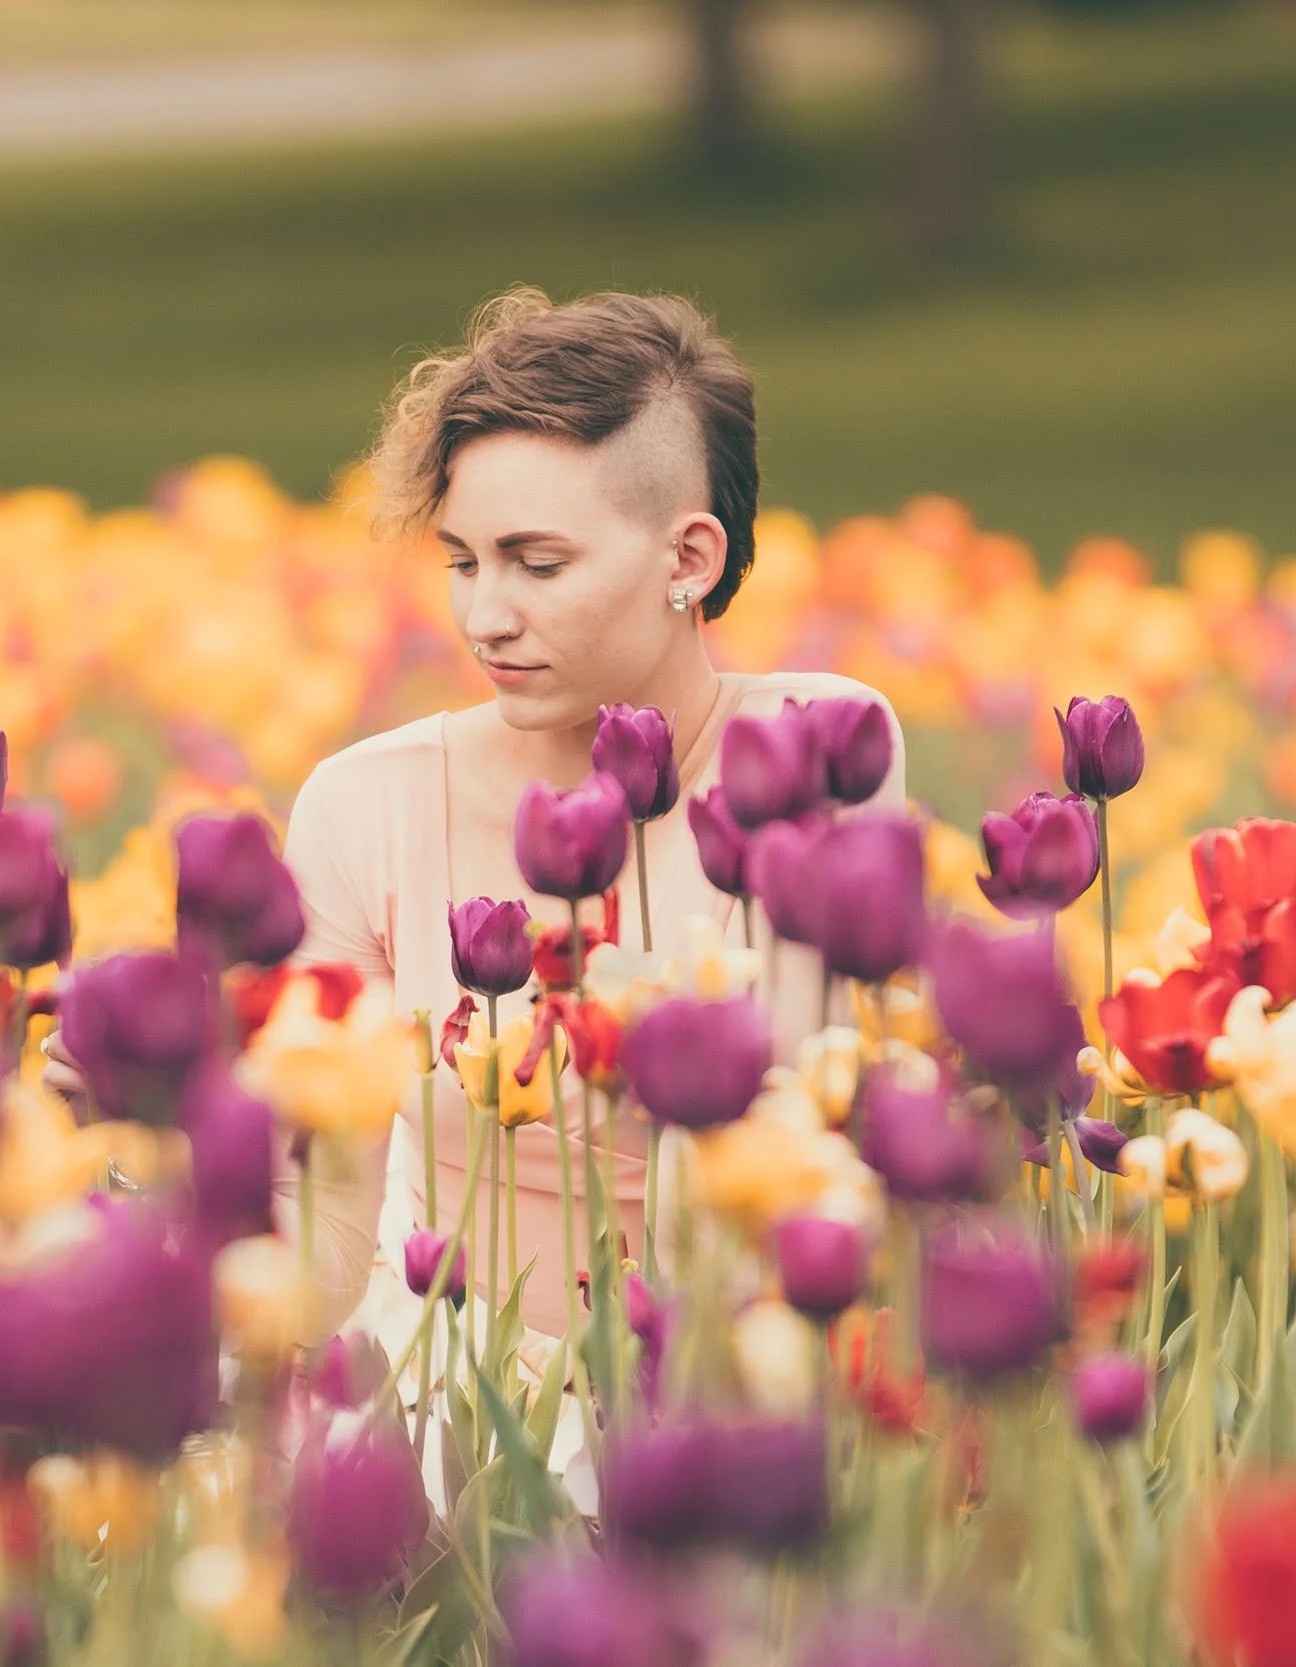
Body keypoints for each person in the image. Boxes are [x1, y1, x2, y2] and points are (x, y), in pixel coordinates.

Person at [46, 285, 906, 1345]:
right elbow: (326, 1240)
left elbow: (784, 1147)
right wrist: (156, 1144)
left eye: (537, 564)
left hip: (733, 1363)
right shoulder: (369, 804)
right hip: (457, 1382)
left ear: (689, 559)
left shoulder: (816, 750)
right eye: (462, 561)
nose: (484, 617)